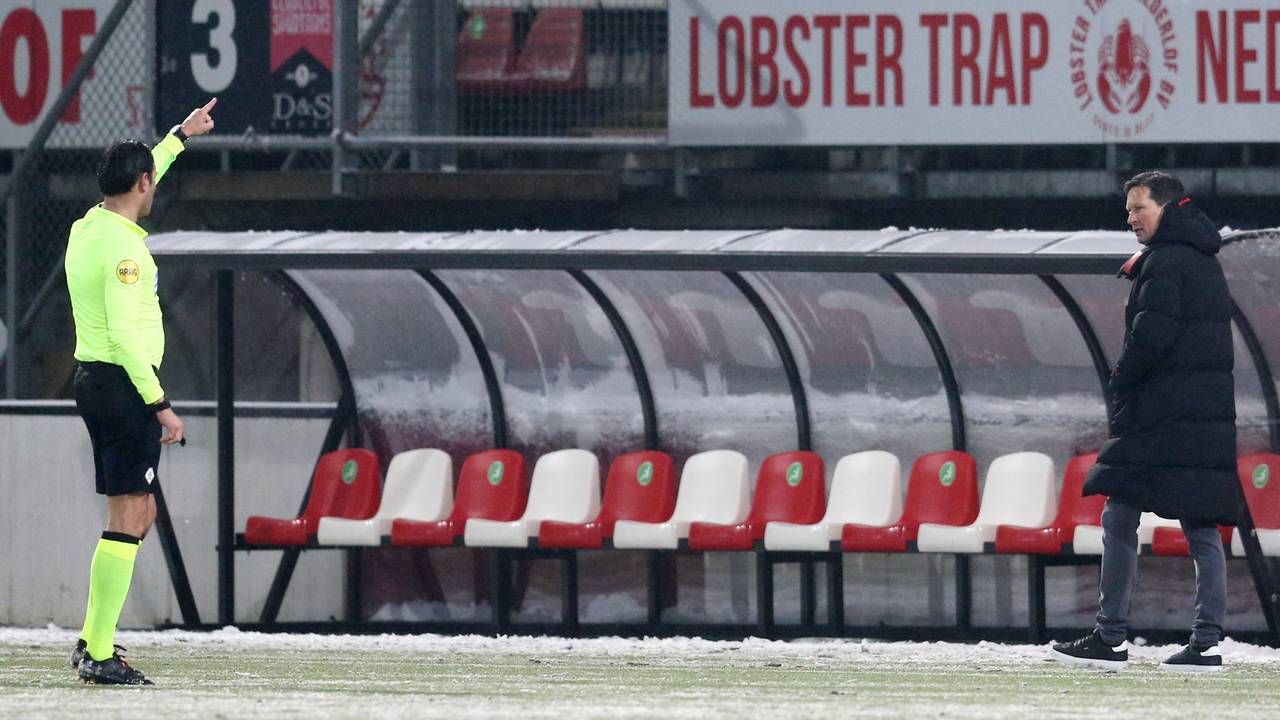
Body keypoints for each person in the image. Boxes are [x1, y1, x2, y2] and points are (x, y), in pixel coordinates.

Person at [1050, 171, 1241, 673]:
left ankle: (1111, 636)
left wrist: (1121, 379)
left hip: (1163, 412)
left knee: (1119, 512)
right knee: (1200, 521)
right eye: (1128, 209)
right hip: (1203, 411)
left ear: (1168, 207)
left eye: (1139, 208)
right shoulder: (1200, 256)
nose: (1130, 218)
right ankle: (1207, 642)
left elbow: (1150, 337)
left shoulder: (1166, 260)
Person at [65, 99, 217, 685]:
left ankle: (91, 638)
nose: (154, 187)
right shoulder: (128, 250)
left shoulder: (88, 226)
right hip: (125, 387)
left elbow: (139, 170)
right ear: (142, 184)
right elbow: (129, 338)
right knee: (130, 514)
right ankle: (98, 651)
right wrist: (161, 405)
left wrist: (179, 136)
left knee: (137, 511)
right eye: (150, 180)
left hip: (94, 383)